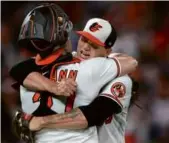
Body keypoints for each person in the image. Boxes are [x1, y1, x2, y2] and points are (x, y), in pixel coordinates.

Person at [11, 5, 138, 143]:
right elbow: (20, 70)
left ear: (108, 52)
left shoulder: (120, 79)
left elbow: (92, 115)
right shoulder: (66, 61)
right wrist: (53, 86)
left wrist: (39, 122)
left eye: (94, 45)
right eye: (83, 39)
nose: (85, 48)